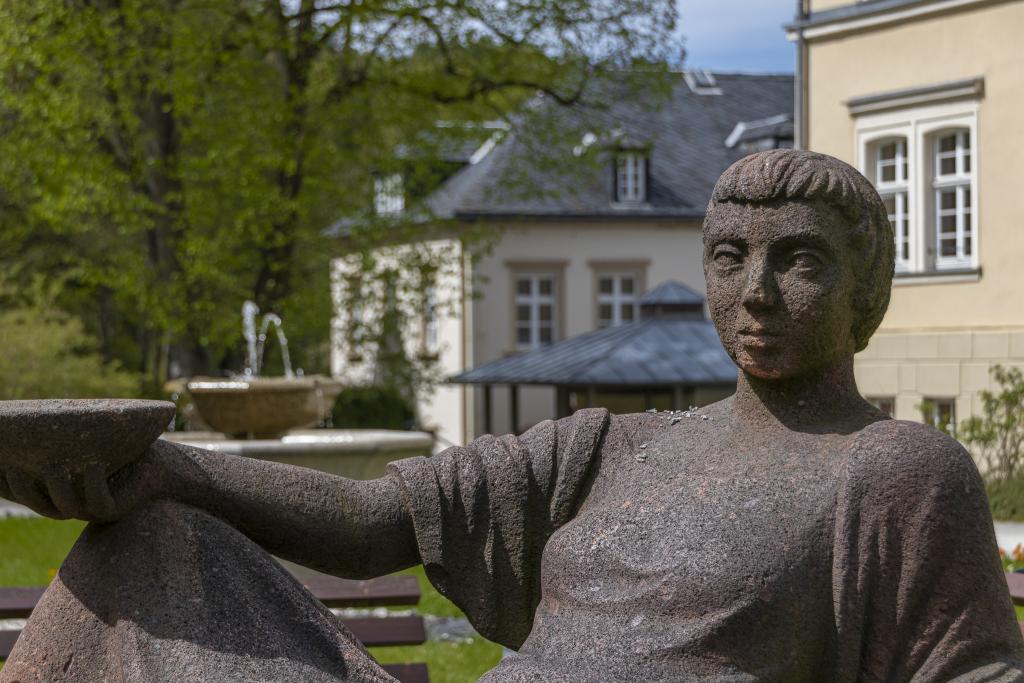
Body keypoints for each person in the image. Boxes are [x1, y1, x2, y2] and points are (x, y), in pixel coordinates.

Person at [2, 150, 1022, 682]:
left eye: (798, 259)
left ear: (867, 286)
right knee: (145, 541)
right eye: (728, 256)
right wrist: (160, 467)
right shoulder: (610, 445)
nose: (755, 291)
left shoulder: (893, 469)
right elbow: (371, 522)